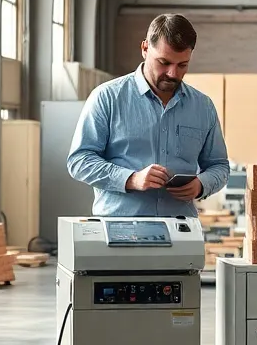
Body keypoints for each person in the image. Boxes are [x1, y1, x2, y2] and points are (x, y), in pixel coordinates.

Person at [67, 13, 229, 217]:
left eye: (182, 65)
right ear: (144, 48)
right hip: (120, 228)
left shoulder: (203, 107)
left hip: (179, 229)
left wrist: (201, 185)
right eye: (164, 62)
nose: (172, 74)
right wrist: (130, 179)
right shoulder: (107, 97)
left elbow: (219, 166)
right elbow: (80, 161)